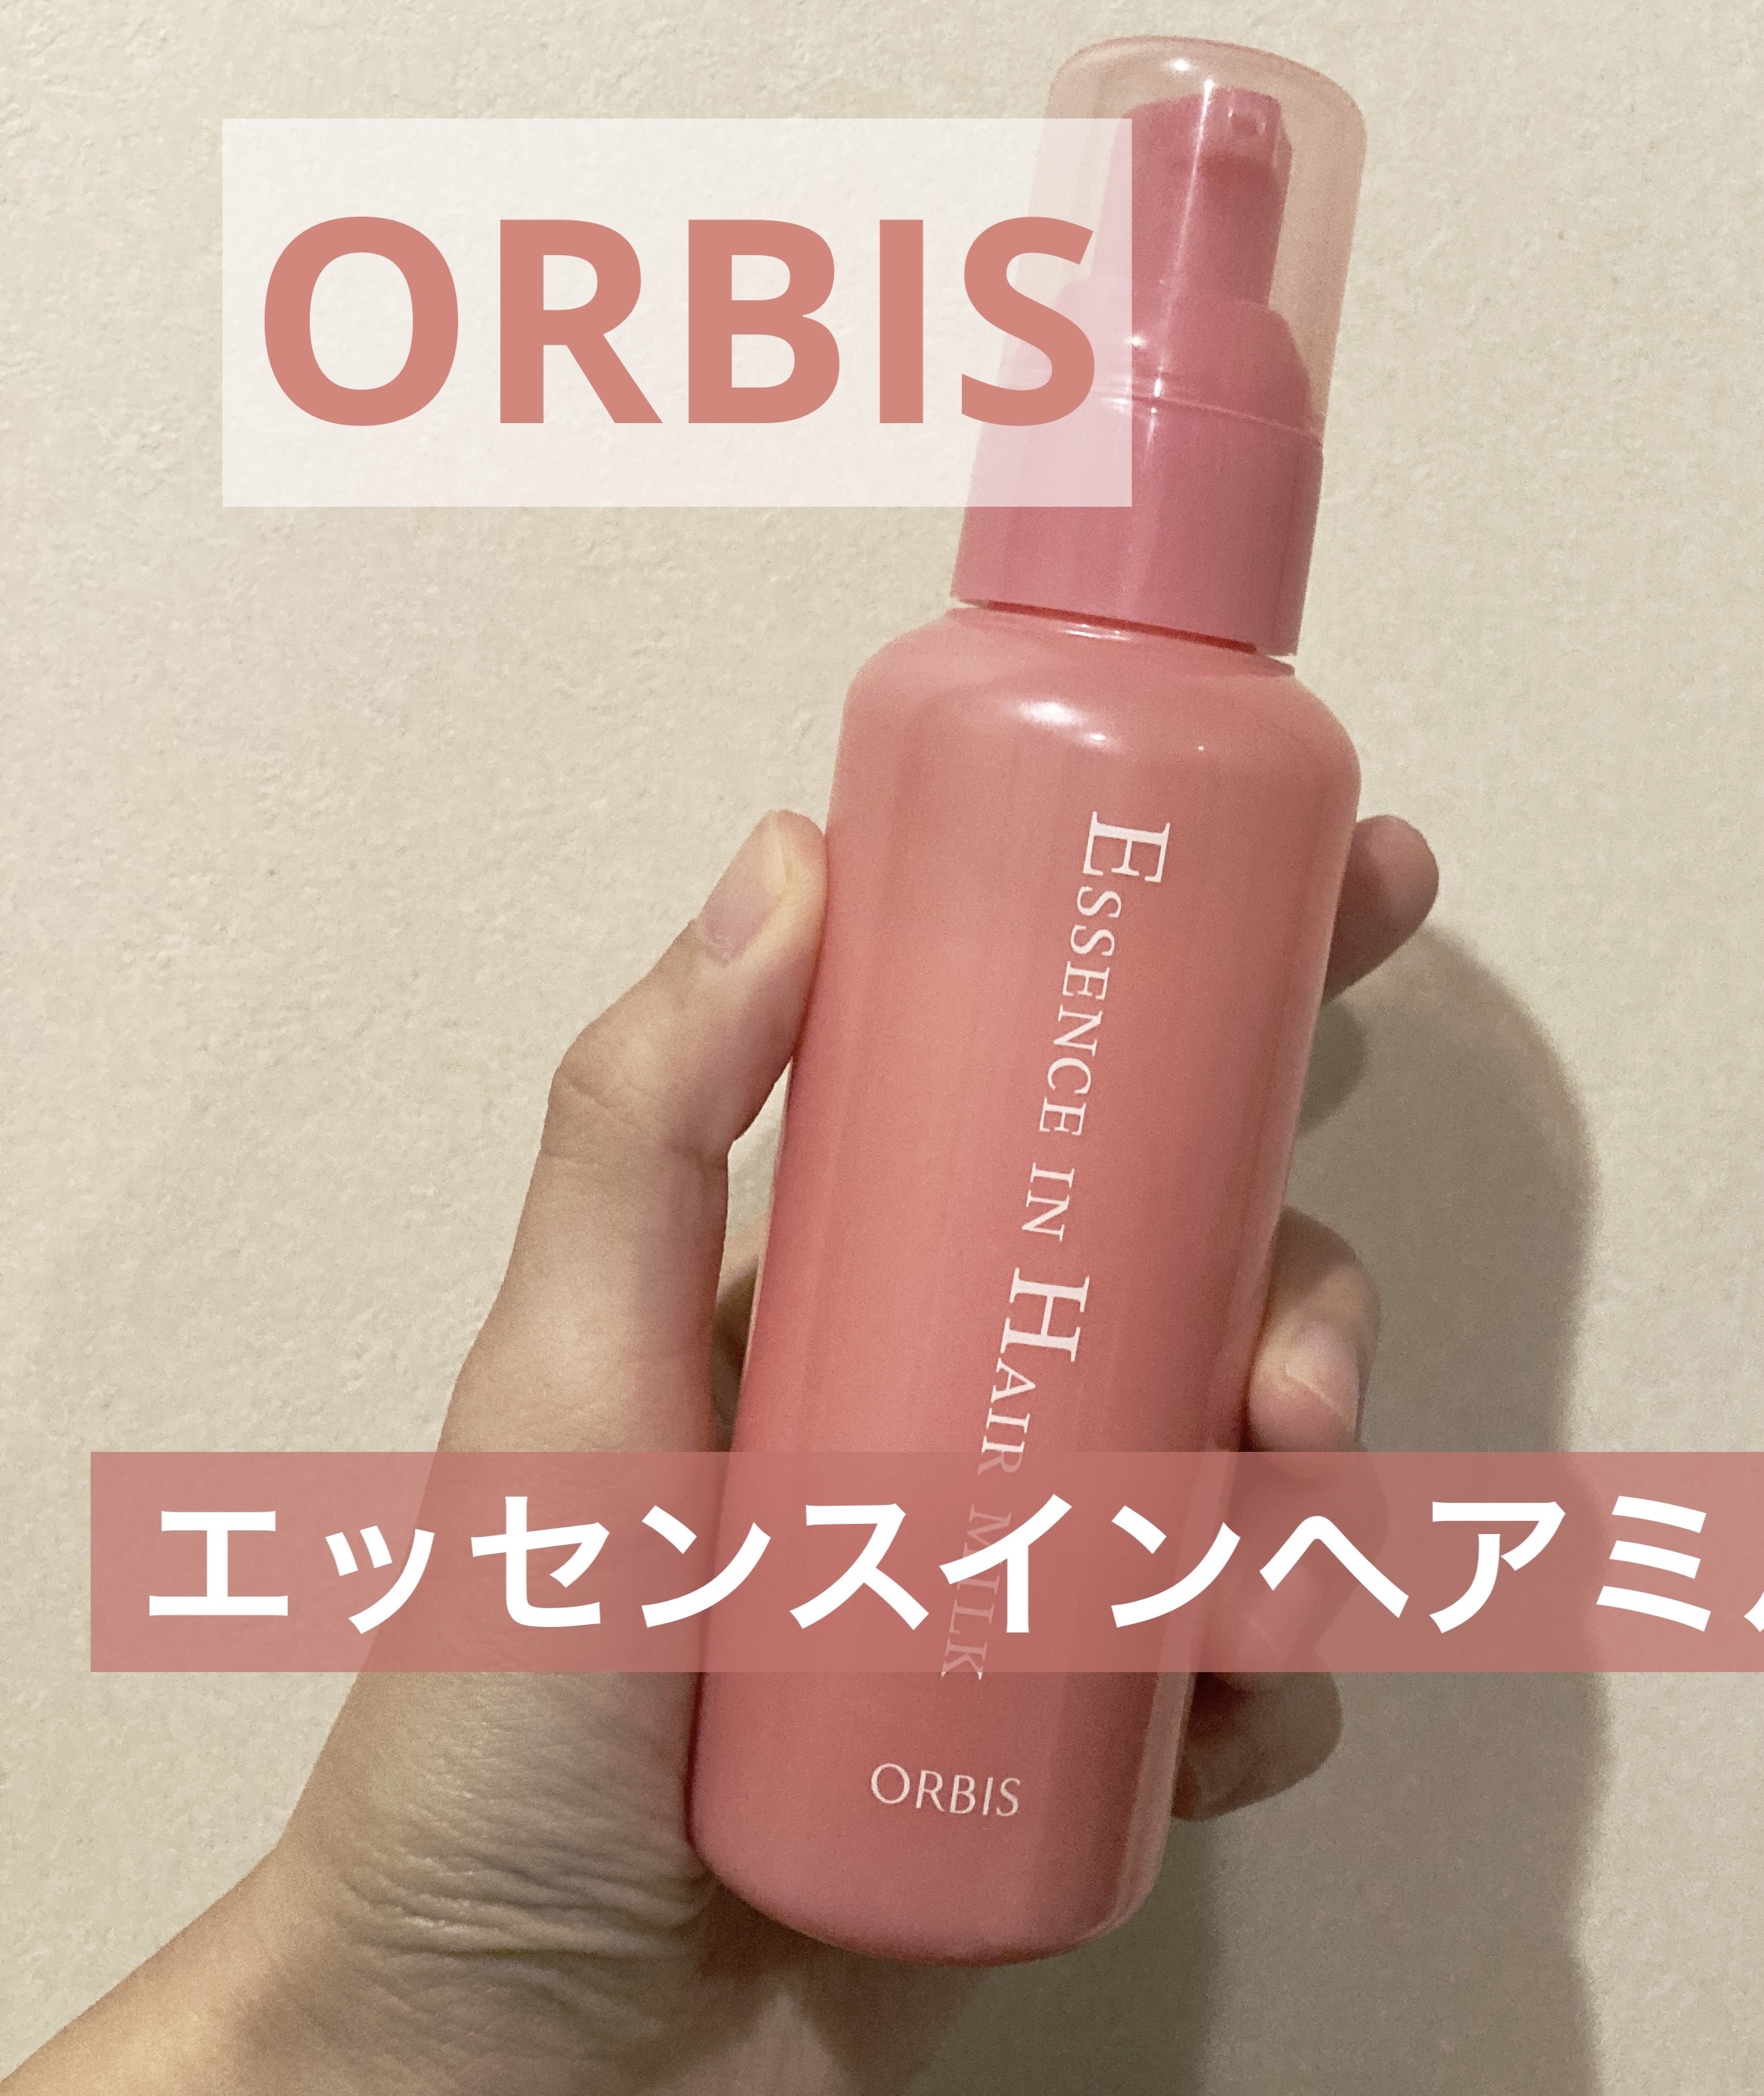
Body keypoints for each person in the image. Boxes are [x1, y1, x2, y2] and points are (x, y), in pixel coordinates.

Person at [10, 808, 1440, 2096]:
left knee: (1177, 1311)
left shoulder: (1242, 773)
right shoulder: (967, 719)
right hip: (581, 1951)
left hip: (672, 1986)